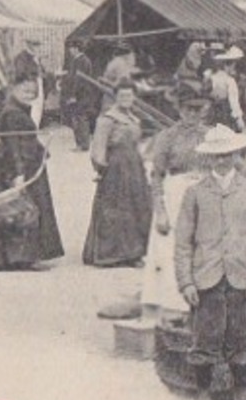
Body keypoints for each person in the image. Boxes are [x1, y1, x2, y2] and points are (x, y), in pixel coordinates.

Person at [173, 125, 246, 400]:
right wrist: (186, 282)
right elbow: (183, 242)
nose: (222, 161)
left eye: (227, 155)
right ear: (208, 159)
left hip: (241, 276)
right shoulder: (194, 193)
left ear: (236, 155)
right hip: (206, 277)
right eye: (216, 156)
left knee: (242, 338)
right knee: (204, 339)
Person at [139, 83, 217, 314]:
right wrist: (160, 210)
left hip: (205, 195)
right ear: (179, 110)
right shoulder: (167, 137)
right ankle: (170, 305)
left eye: (197, 109)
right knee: (169, 249)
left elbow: (234, 164)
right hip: (176, 195)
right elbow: (157, 175)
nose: (192, 114)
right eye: (187, 109)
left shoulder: (211, 135)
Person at [0, 73, 65, 271]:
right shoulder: (12, 113)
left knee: (13, 208)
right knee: (24, 208)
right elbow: (12, 143)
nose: (29, 95)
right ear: (14, 88)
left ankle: (5, 257)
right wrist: (18, 173)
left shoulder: (17, 109)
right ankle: (23, 258)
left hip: (21, 161)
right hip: (17, 165)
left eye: (33, 92)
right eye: (25, 90)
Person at [82, 79, 152, 268]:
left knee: (136, 208)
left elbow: (137, 144)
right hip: (115, 169)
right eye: (122, 95)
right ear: (115, 97)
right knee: (115, 210)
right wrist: (100, 168)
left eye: (129, 95)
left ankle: (133, 253)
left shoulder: (134, 119)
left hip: (134, 168)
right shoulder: (107, 119)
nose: (126, 99)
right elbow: (98, 147)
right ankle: (110, 254)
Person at [59, 41, 98, 151]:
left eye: (71, 48)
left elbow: (79, 80)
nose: (70, 51)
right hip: (80, 95)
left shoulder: (82, 61)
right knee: (77, 118)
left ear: (76, 48)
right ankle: (80, 144)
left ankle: (83, 145)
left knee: (81, 119)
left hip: (81, 95)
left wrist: (73, 95)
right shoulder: (77, 60)